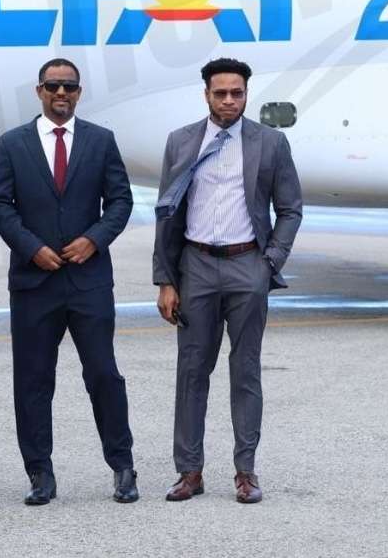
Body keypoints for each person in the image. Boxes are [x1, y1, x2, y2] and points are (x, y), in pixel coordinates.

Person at [0, 57, 138, 505]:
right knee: (33, 380)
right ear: (39, 91)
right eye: (52, 86)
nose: (61, 93)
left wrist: (94, 240)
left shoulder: (100, 140)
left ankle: (123, 466)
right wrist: (31, 247)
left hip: (89, 281)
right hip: (34, 283)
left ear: (79, 92)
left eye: (69, 86)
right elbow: (0, 204)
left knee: (104, 374)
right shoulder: (12, 143)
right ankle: (40, 473)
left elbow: (120, 201)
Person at [152, 57, 302, 504]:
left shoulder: (270, 143)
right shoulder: (181, 141)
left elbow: (290, 209)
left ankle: (246, 472)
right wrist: (165, 280)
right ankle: (189, 472)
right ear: (206, 95)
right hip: (195, 266)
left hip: (247, 265)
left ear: (246, 94)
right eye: (220, 93)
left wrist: (269, 262)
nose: (229, 101)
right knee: (192, 371)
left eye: (237, 93)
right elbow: (166, 213)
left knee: (246, 371)